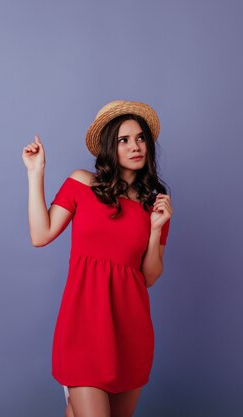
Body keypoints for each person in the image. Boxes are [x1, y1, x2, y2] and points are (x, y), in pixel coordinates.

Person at [22, 100, 173, 417]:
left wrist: (156, 229)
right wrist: (36, 174)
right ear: (109, 147)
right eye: (124, 140)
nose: (135, 146)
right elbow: (41, 234)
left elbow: (148, 276)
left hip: (130, 332)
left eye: (141, 138)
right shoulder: (81, 183)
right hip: (83, 328)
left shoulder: (154, 205)